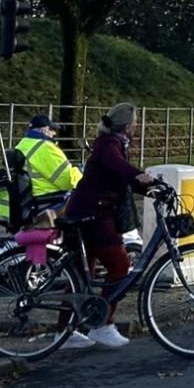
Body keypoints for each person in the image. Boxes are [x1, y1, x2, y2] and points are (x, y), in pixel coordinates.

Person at [59, 102, 159, 349]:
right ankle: (102, 325)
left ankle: (64, 332)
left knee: (81, 275)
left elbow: (121, 177)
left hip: (87, 212)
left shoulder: (114, 143)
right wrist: (138, 175)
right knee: (120, 264)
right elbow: (118, 168)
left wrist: (151, 188)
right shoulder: (108, 145)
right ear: (127, 125)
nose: (136, 127)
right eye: (135, 123)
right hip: (94, 215)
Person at [13, 114, 82, 227]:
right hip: (48, 199)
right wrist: (80, 173)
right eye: (52, 129)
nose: (54, 133)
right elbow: (67, 181)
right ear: (43, 130)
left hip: (27, 199)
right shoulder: (45, 148)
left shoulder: (22, 144)